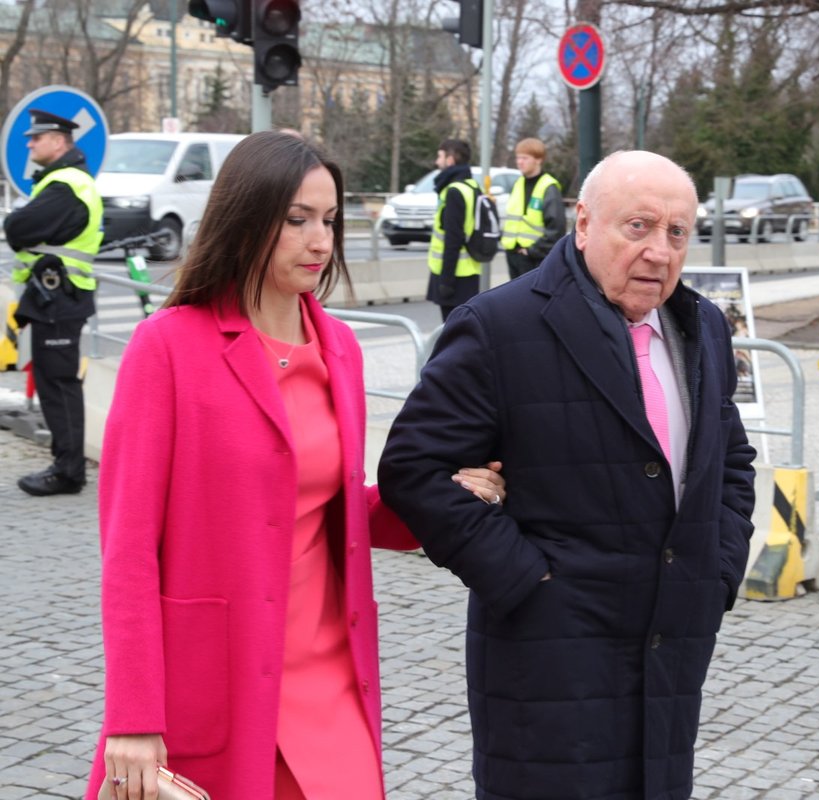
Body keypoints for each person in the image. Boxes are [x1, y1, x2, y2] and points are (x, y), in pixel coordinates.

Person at [85, 131, 508, 800]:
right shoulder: (166, 347)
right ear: (247, 219)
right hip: (217, 680)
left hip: (331, 674)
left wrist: (438, 496)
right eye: (297, 220)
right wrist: (132, 719)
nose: (321, 241)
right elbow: (129, 548)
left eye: (331, 221)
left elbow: (338, 512)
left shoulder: (339, 347)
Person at [378, 150, 757, 800]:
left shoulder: (704, 329)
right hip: (547, 660)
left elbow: (732, 462)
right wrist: (527, 581)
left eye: (676, 233)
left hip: (669, 654)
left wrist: (715, 572)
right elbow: (414, 468)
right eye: (637, 227)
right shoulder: (500, 326)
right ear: (583, 224)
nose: (659, 252)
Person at [5, 109, 103, 496]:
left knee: (60, 386)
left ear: (59, 142)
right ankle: (66, 464)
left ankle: (68, 471)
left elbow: (18, 228)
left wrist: (17, 223)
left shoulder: (66, 184)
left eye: (36, 138)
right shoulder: (63, 181)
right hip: (56, 298)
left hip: (60, 298)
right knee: (54, 382)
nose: (29, 144)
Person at [426, 137, 483, 322]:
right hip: (468, 272)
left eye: (440, 157)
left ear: (450, 160)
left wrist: (446, 281)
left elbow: (453, 239)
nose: (437, 162)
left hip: (454, 275)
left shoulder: (454, 191)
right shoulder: (472, 186)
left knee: (453, 331)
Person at [500, 137, 565, 280]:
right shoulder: (518, 184)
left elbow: (556, 229)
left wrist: (531, 251)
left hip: (534, 258)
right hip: (514, 254)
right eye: (518, 158)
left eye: (525, 158)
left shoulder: (548, 187)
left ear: (538, 159)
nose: (520, 162)